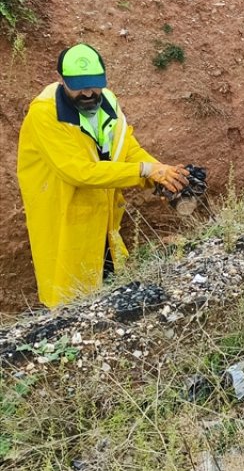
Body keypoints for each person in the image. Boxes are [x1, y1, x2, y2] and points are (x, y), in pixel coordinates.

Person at [16, 43, 190, 308]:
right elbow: (78, 171)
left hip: (104, 215)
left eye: (94, 84)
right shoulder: (44, 114)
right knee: (69, 298)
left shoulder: (107, 101)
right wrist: (144, 171)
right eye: (79, 85)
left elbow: (127, 148)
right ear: (61, 80)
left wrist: (161, 172)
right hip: (65, 216)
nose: (88, 92)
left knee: (107, 286)